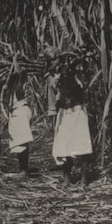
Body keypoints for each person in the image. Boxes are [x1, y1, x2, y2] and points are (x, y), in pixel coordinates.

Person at [45, 46, 92, 187]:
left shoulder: (74, 70)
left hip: (77, 110)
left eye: (52, 60)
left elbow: (83, 86)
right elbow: (51, 97)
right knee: (63, 147)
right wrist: (52, 113)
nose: (50, 63)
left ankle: (84, 179)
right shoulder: (51, 76)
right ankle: (66, 177)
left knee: (82, 145)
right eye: (48, 61)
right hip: (63, 112)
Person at [6, 70, 33, 178]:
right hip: (17, 112)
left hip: (21, 112)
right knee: (19, 141)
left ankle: (24, 170)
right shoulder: (13, 86)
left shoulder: (19, 85)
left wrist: (17, 75)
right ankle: (22, 168)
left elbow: (20, 91)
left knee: (22, 141)